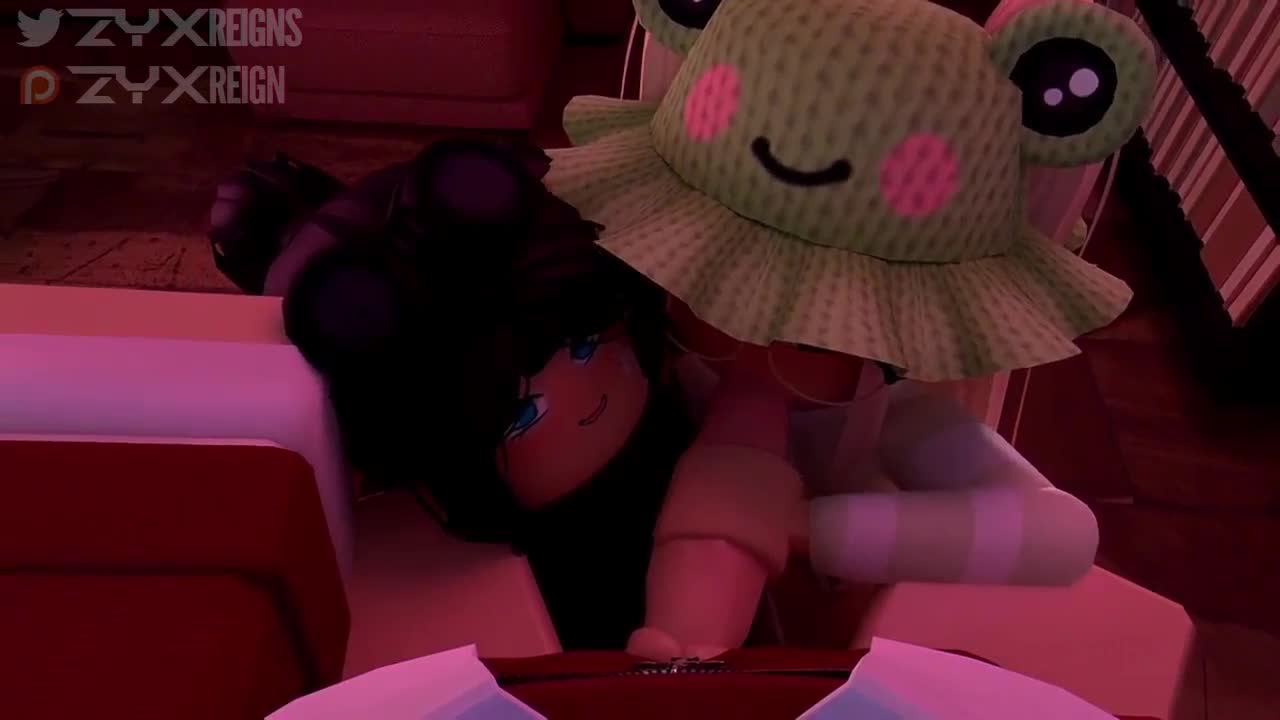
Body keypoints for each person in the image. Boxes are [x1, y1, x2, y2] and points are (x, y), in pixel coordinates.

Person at [543, 0, 1157, 658]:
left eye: (813, 342)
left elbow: (1060, 533)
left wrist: (812, 528)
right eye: (714, 303)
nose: (754, 351)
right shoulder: (637, 351)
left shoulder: (889, 418)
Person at [209, 139, 693, 649]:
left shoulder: (674, 405)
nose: (587, 408)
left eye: (585, 347)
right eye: (524, 415)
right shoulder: (491, 565)